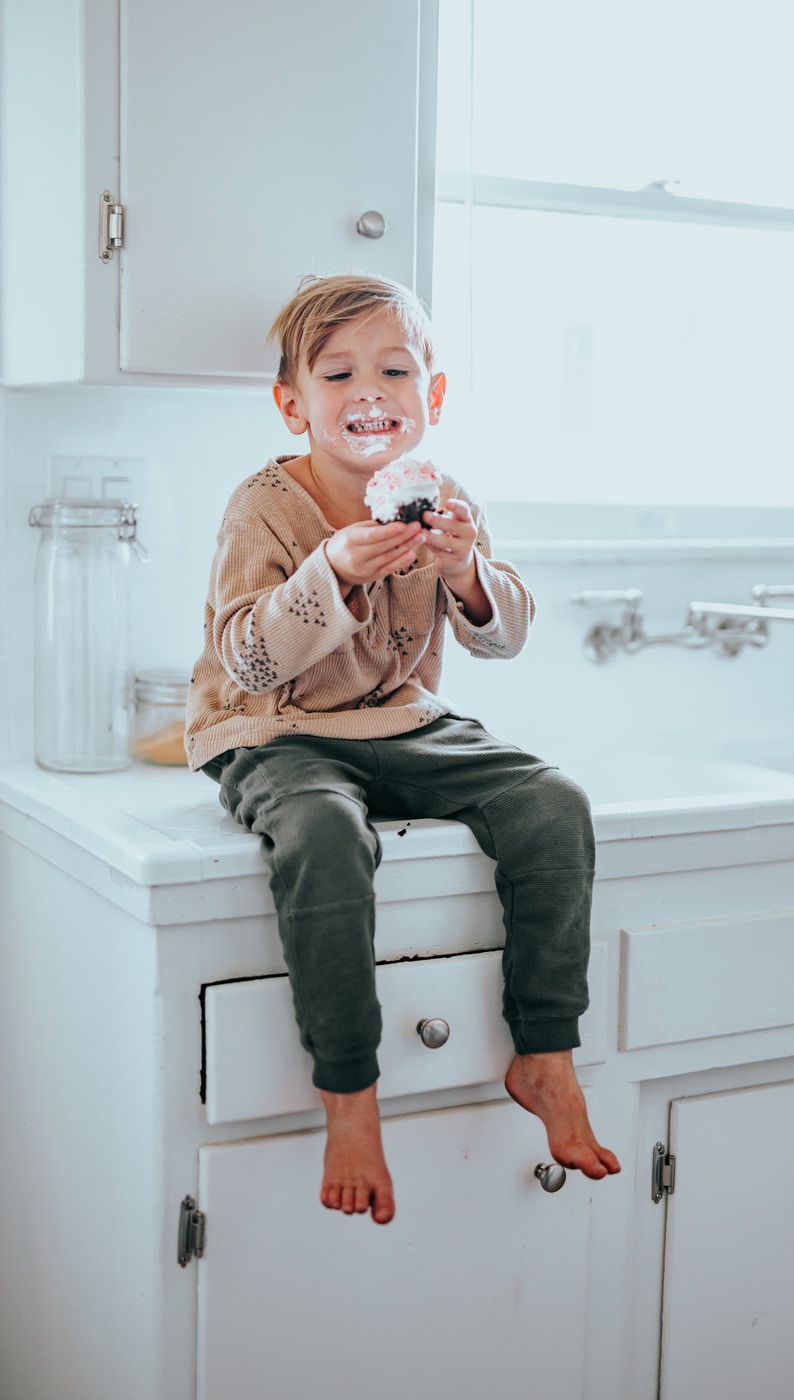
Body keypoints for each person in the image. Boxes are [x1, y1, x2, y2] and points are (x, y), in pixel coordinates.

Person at [186, 273, 620, 1224]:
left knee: (556, 802)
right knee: (327, 836)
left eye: (394, 368)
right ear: (293, 404)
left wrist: (466, 568)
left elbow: (500, 639)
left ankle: (545, 1055)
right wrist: (331, 572)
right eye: (338, 374)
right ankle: (350, 1096)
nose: (369, 390)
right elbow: (247, 658)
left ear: (435, 394)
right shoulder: (262, 508)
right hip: (277, 730)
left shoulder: (442, 498)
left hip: (403, 722)